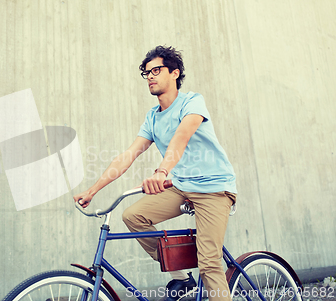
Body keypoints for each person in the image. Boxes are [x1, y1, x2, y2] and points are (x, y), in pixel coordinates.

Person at [73, 45, 237, 301]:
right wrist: (93, 190)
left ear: (175, 73)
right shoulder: (152, 117)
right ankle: (183, 279)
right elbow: (128, 155)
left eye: (156, 70)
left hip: (214, 188)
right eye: (146, 72)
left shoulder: (192, 102)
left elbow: (181, 137)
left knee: (209, 263)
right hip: (183, 186)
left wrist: (161, 172)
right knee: (133, 216)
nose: (150, 76)